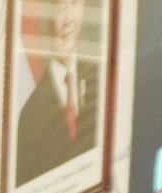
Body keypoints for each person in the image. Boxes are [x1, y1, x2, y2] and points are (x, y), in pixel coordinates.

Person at [15, 0, 100, 181]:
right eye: (60, 6)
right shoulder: (29, 118)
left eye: (75, 3)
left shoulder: (101, 80)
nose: (68, 19)